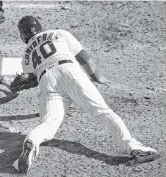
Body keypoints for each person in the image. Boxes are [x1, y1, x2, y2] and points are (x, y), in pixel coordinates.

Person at [13, 16, 160, 174]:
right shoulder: (58, 33)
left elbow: (32, 79)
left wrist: (17, 82)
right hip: (69, 71)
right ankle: (134, 147)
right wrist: (96, 76)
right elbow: (83, 57)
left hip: (46, 81)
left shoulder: (27, 53)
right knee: (101, 111)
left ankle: (32, 141)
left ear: (23, 35)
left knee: (49, 123)